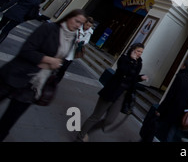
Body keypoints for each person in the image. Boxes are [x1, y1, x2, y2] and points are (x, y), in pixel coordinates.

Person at [0, 8, 87, 141]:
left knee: (7, 122)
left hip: (34, 84)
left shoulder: (72, 37)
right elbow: (26, 50)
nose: (77, 25)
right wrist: (48, 60)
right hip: (16, 74)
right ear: (69, 17)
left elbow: (61, 56)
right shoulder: (49, 29)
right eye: (77, 21)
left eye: (81, 23)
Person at [76, 42, 148, 142]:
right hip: (112, 90)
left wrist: (140, 78)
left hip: (122, 94)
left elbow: (132, 78)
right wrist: (131, 60)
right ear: (132, 50)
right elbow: (121, 71)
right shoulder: (124, 58)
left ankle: (88, 130)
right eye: (138, 51)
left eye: (141, 52)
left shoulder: (139, 63)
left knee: (110, 120)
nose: (139, 53)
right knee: (96, 116)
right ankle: (80, 136)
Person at [155, 59, 188, 142]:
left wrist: (160, 109)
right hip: (183, 110)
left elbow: (170, 95)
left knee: (162, 127)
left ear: (184, 66)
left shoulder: (179, 77)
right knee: (172, 130)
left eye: (182, 65)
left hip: (171, 108)